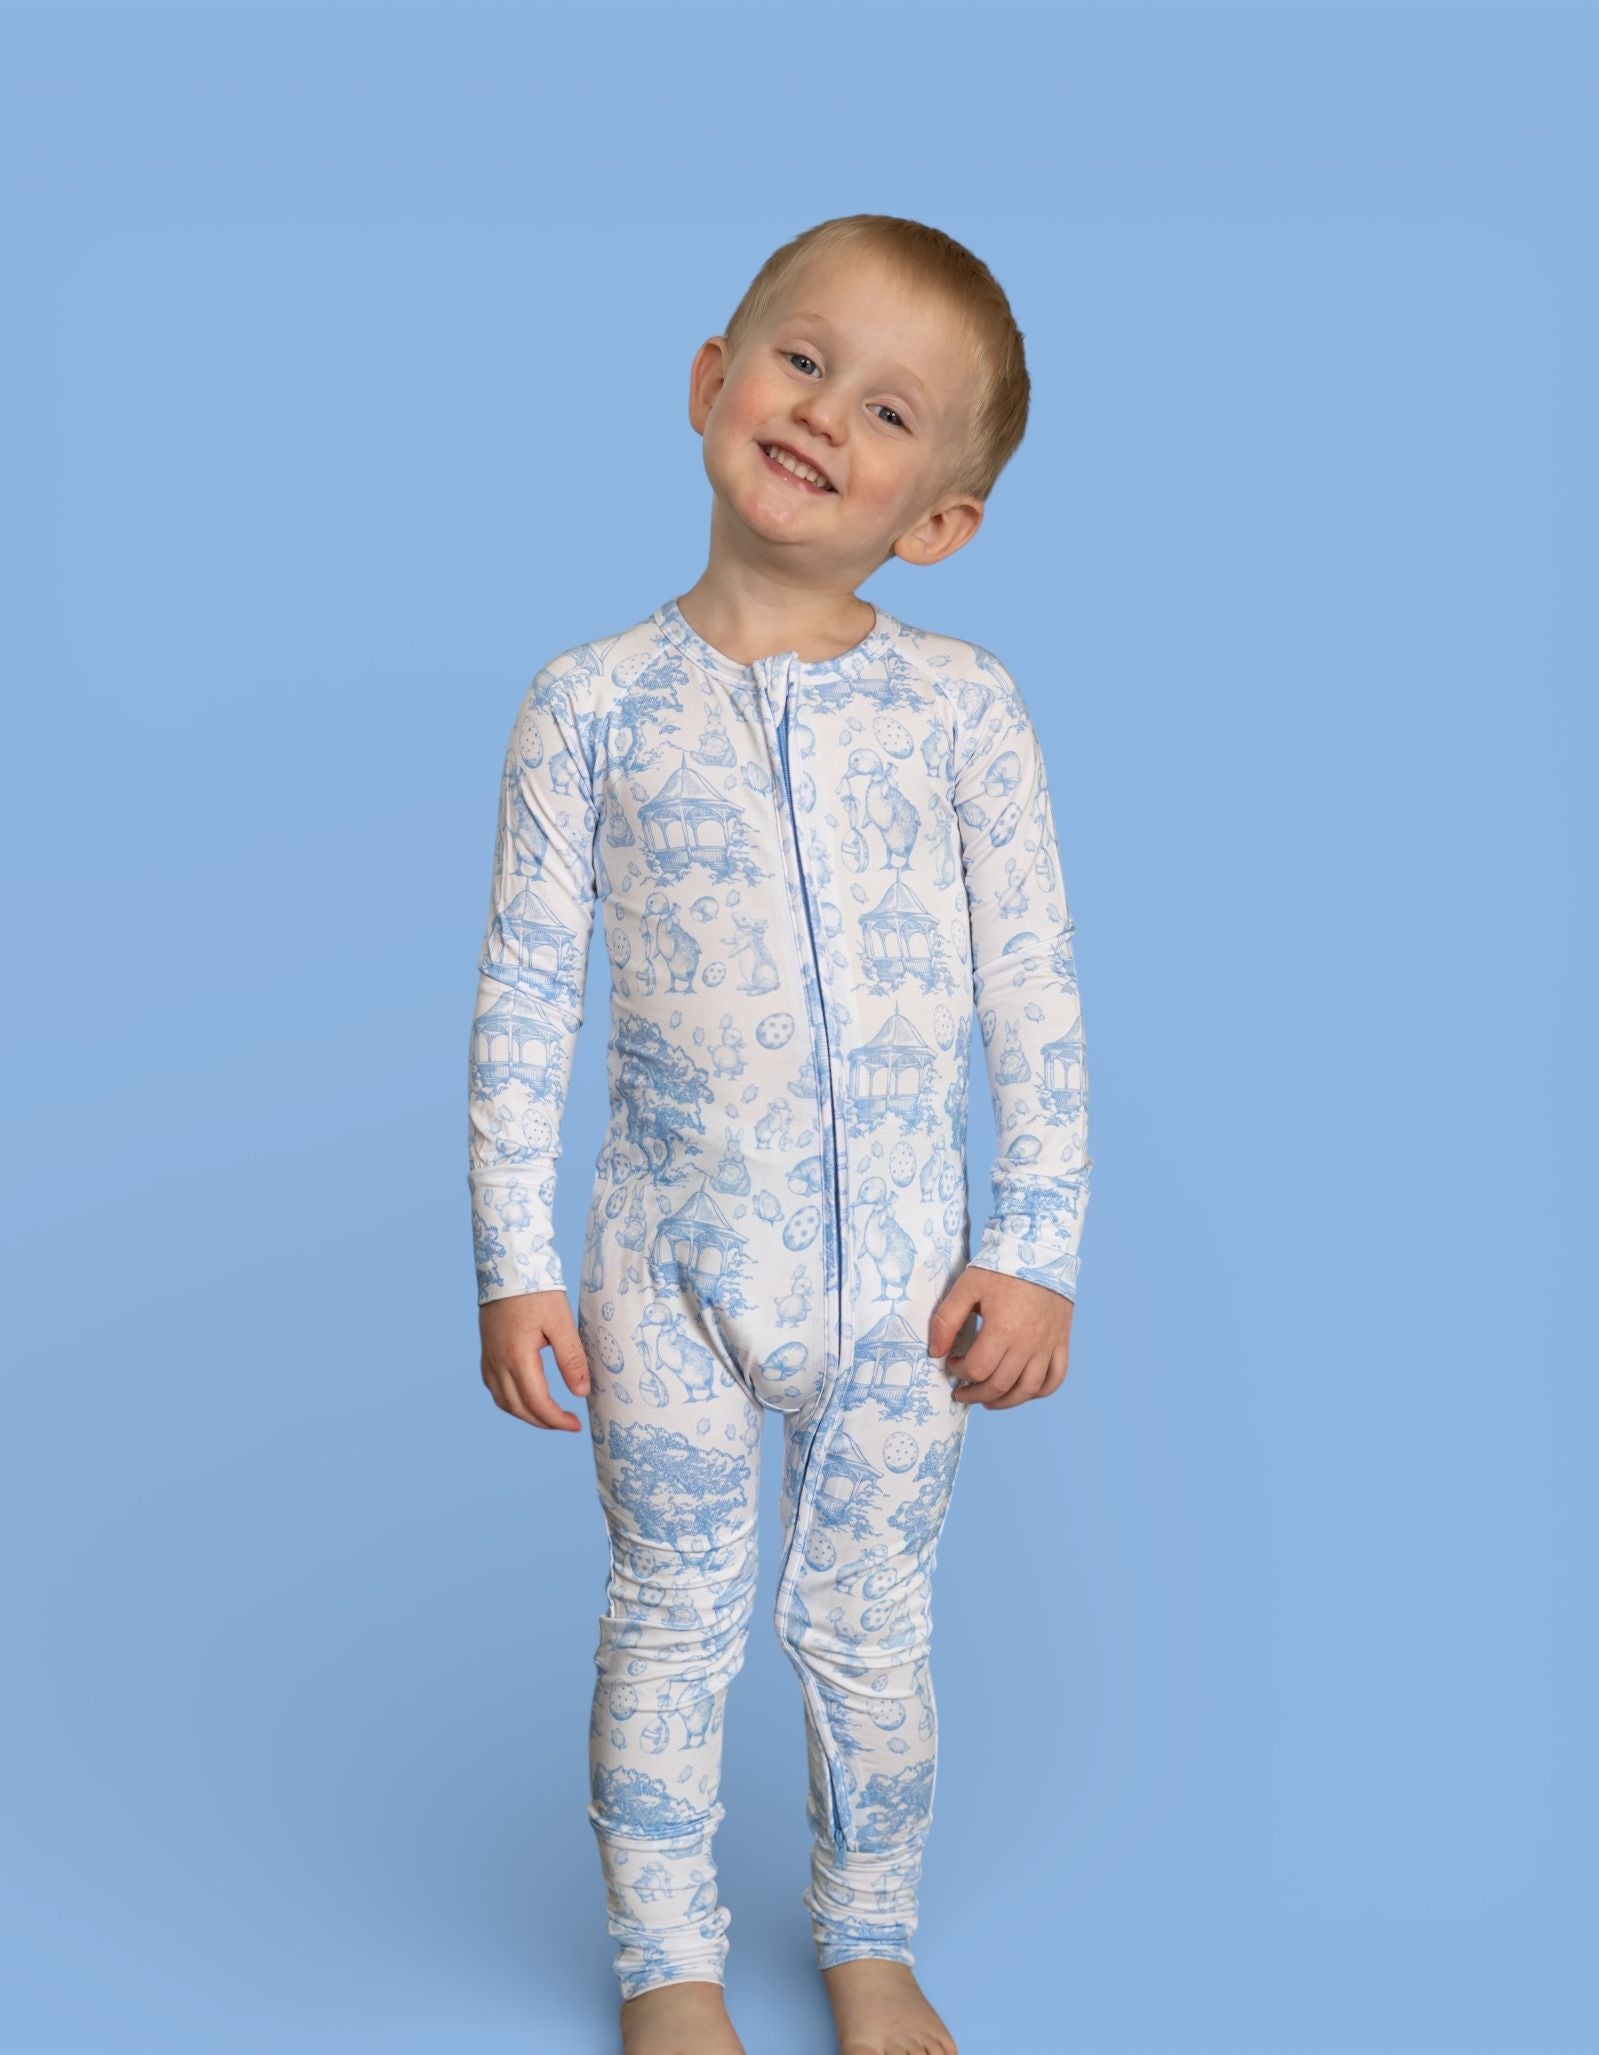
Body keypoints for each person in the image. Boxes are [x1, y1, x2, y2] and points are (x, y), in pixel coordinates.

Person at [467, 212, 1092, 2055]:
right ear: (709, 383)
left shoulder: (963, 711)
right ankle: (666, 1966)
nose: (824, 412)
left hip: (908, 1282)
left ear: (940, 520)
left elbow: (1034, 990)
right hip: (666, 1267)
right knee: (669, 1618)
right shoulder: (588, 705)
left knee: (872, 1632)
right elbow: (524, 1000)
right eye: (802, 361)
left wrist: (1036, 1242)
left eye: (888, 411)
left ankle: (868, 1940)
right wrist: (512, 1262)